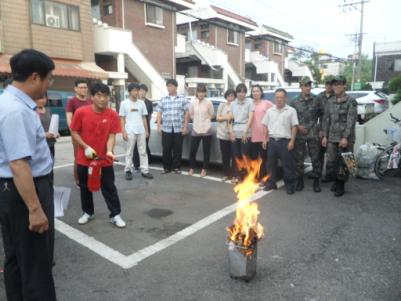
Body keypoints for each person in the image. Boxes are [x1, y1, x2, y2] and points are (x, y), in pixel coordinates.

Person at [0, 49, 57, 300]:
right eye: (49, 78)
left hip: (11, 190)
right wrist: (35, 208)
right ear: (35, 77)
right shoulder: (17, 111)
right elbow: (19, 164)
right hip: (25, 189)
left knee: (16, 256)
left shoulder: (8, 102)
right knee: (36, 263)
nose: (49, 84)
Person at [70, 82, 126, 228]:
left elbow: (112, 136)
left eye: (105, 96)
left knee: (109, 187)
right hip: (84, 159)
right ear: (92, 97)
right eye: (99, 95)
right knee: (85, 187)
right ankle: (88, 212)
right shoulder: (81, 112)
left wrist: (109, 150)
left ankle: (115, 214)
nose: (103, 99)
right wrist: (85, 147)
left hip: (104, 160)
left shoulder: (113, 114)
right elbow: (74, 131)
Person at [322, 75, 357, 197]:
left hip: (345, 138)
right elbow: (327, 119)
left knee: (346, 162)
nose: (335, 86)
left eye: (338, 84)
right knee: (332, 161)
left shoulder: (350, 101)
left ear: (344, 86)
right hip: (332, 137)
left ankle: (341, 184)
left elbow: (351, 121)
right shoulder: (330, 101)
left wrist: (345, 137)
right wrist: (325, 136)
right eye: (334, 84)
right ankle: (336, 180)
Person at [262, 88, 298, 195]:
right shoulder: (270, 111)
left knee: (288, 165)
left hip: (285, 142)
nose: (279, 99)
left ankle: (290, 186)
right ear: (274, 98)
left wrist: (292, 141)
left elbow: (294, 127)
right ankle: (271, 183)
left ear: (285, 98)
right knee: (270, 165)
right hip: (272, 142)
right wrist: (265, 139)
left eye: (281, 97)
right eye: (277, 97)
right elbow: (266, 126)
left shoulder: (291, 110)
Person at [291, 77, 323, 192]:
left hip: (313, 132)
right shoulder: (294, 101)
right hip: (299, 134)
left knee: (315, 158)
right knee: (299, 158)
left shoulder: (317, 99)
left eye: (309, 85)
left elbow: (322, 115)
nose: (308, 87)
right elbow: (291, 117)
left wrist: (320, 129)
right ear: (301, 87)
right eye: (305, 85)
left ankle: (316, 181)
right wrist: (298, 126)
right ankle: (300, 181)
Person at [120, 82, 153, 180]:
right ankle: (128, 170)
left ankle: (145, 170)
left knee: (143, 151)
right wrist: (123, 131)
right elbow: (122, 118)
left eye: (137, 90)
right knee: (129, 151)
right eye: (134, 90)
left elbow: (144, 118)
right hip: (130, 130)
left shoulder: (142, 103)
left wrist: (146, 131)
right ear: (129, 92)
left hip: (141, 130)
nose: (136, 92)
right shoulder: (124, 103)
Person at [156, 79, 189, 174]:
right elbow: (159, 113)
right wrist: (159, 125)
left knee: (177, 149)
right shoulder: (163, 99)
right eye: (168, 86)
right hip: (166, 128)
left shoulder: (182, 98)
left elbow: (187, 113)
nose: (169, 88)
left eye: (171, 86)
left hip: (179, 128)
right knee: (166, 148)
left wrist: (185, 127)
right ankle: (166, 167)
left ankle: (176, 167)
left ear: (176, 87)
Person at [66, 79, 91, 185]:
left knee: (90, 155)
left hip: (90, 134)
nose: (83, 89)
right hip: (78, 134)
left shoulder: (90, 101)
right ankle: (78, 179)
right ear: (75, 89)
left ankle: (90, 176)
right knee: (78, 156)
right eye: (81, 87)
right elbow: (69, 119)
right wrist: (73, 133)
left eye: (85, 87)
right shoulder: (72, 101)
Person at [229, 83, 254, 183]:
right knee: (236, 155)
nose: (241, 94)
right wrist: (231, 132)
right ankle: (236, 175)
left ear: (246, 93)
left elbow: (250, 118)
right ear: (236, 92)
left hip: (246, 132)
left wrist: (245, 131)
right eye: (239, 92)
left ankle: (246, 176)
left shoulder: (250, 102)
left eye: (243, 92)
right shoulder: (233, 104)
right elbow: (230, 119)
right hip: (235, 131)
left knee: (245, 154)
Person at [188, 84, 214, 177]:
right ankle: (192, 168)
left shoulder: (208, 102)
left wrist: (207, 121)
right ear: (197, 92)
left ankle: (204, 169)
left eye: (203, 92)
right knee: (192, 150)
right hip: (195, 129)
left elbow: (212, 114)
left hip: (206, 129)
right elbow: (191, 114)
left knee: (206, 151)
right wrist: (195, 120)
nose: (201, 94)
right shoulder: (193, 102)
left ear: (205, 93)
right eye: (199, 92)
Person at [250, 85, 273, 182]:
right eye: (253, 91)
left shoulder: (267, 103)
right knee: (253, 159)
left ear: (261, 92)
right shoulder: (249, 104)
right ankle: (254, 177)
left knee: (264, 159)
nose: (255, 93)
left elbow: (275, 112)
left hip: (264, 136)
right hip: (252, 136)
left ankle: (264, 178)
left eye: (257, 91)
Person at [317, 75, 335, 179]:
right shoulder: (319, 97)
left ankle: (329, 174)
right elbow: (316, 113)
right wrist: (319, 129)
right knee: (319, 153)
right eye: (327, 84)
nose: (329, 86)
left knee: (331, 155)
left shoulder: (336, 96)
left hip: (333, 130)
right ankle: (318, 172)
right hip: (321, 129)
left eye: (331, 84)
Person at [216, 89, 235, 181]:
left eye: (232, 96)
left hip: (233, 134)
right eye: (229, 96)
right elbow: (217, 118)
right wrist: (226, 117)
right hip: (222, 133)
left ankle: (234, 175)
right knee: (225, 155)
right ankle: (225, 174)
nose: (230, 97)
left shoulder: (236, 106)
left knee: (234, 155)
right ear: (226, 97)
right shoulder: (222, 105)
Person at [133, 84, 153, 169]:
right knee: (135, 146)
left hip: (145, 126)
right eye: (140, 90)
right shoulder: (134, 101)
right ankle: (136, 164)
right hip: (135, 126)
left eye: (143, 91)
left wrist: (146, 129)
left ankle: (144, 164)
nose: (142, 92)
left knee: (144, 146)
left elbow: (150, 115)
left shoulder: (149, 103)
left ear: (146, 92)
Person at [36, 93, 58, 159]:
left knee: (51, 164)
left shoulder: (48, 110)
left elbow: (52, 124)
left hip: (50, 142)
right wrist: (44, 134)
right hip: (39, 145)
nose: (43, 100)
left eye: (44, 98)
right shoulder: (32, 111)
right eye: (40, 98)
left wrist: (56, 132)